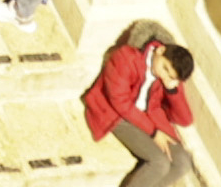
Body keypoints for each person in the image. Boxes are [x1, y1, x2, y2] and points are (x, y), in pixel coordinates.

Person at [86, 29, 204, 187]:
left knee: (183, 163)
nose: (165, 76)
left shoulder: (168, 77)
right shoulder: (127, 57)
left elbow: (184, 119)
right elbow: (120, 102)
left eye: (171, 77)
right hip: (117, 115)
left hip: (148, 118)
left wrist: (172, 90)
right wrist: (153, 132)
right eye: (165, 69)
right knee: (159, 163)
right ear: (160, 50)